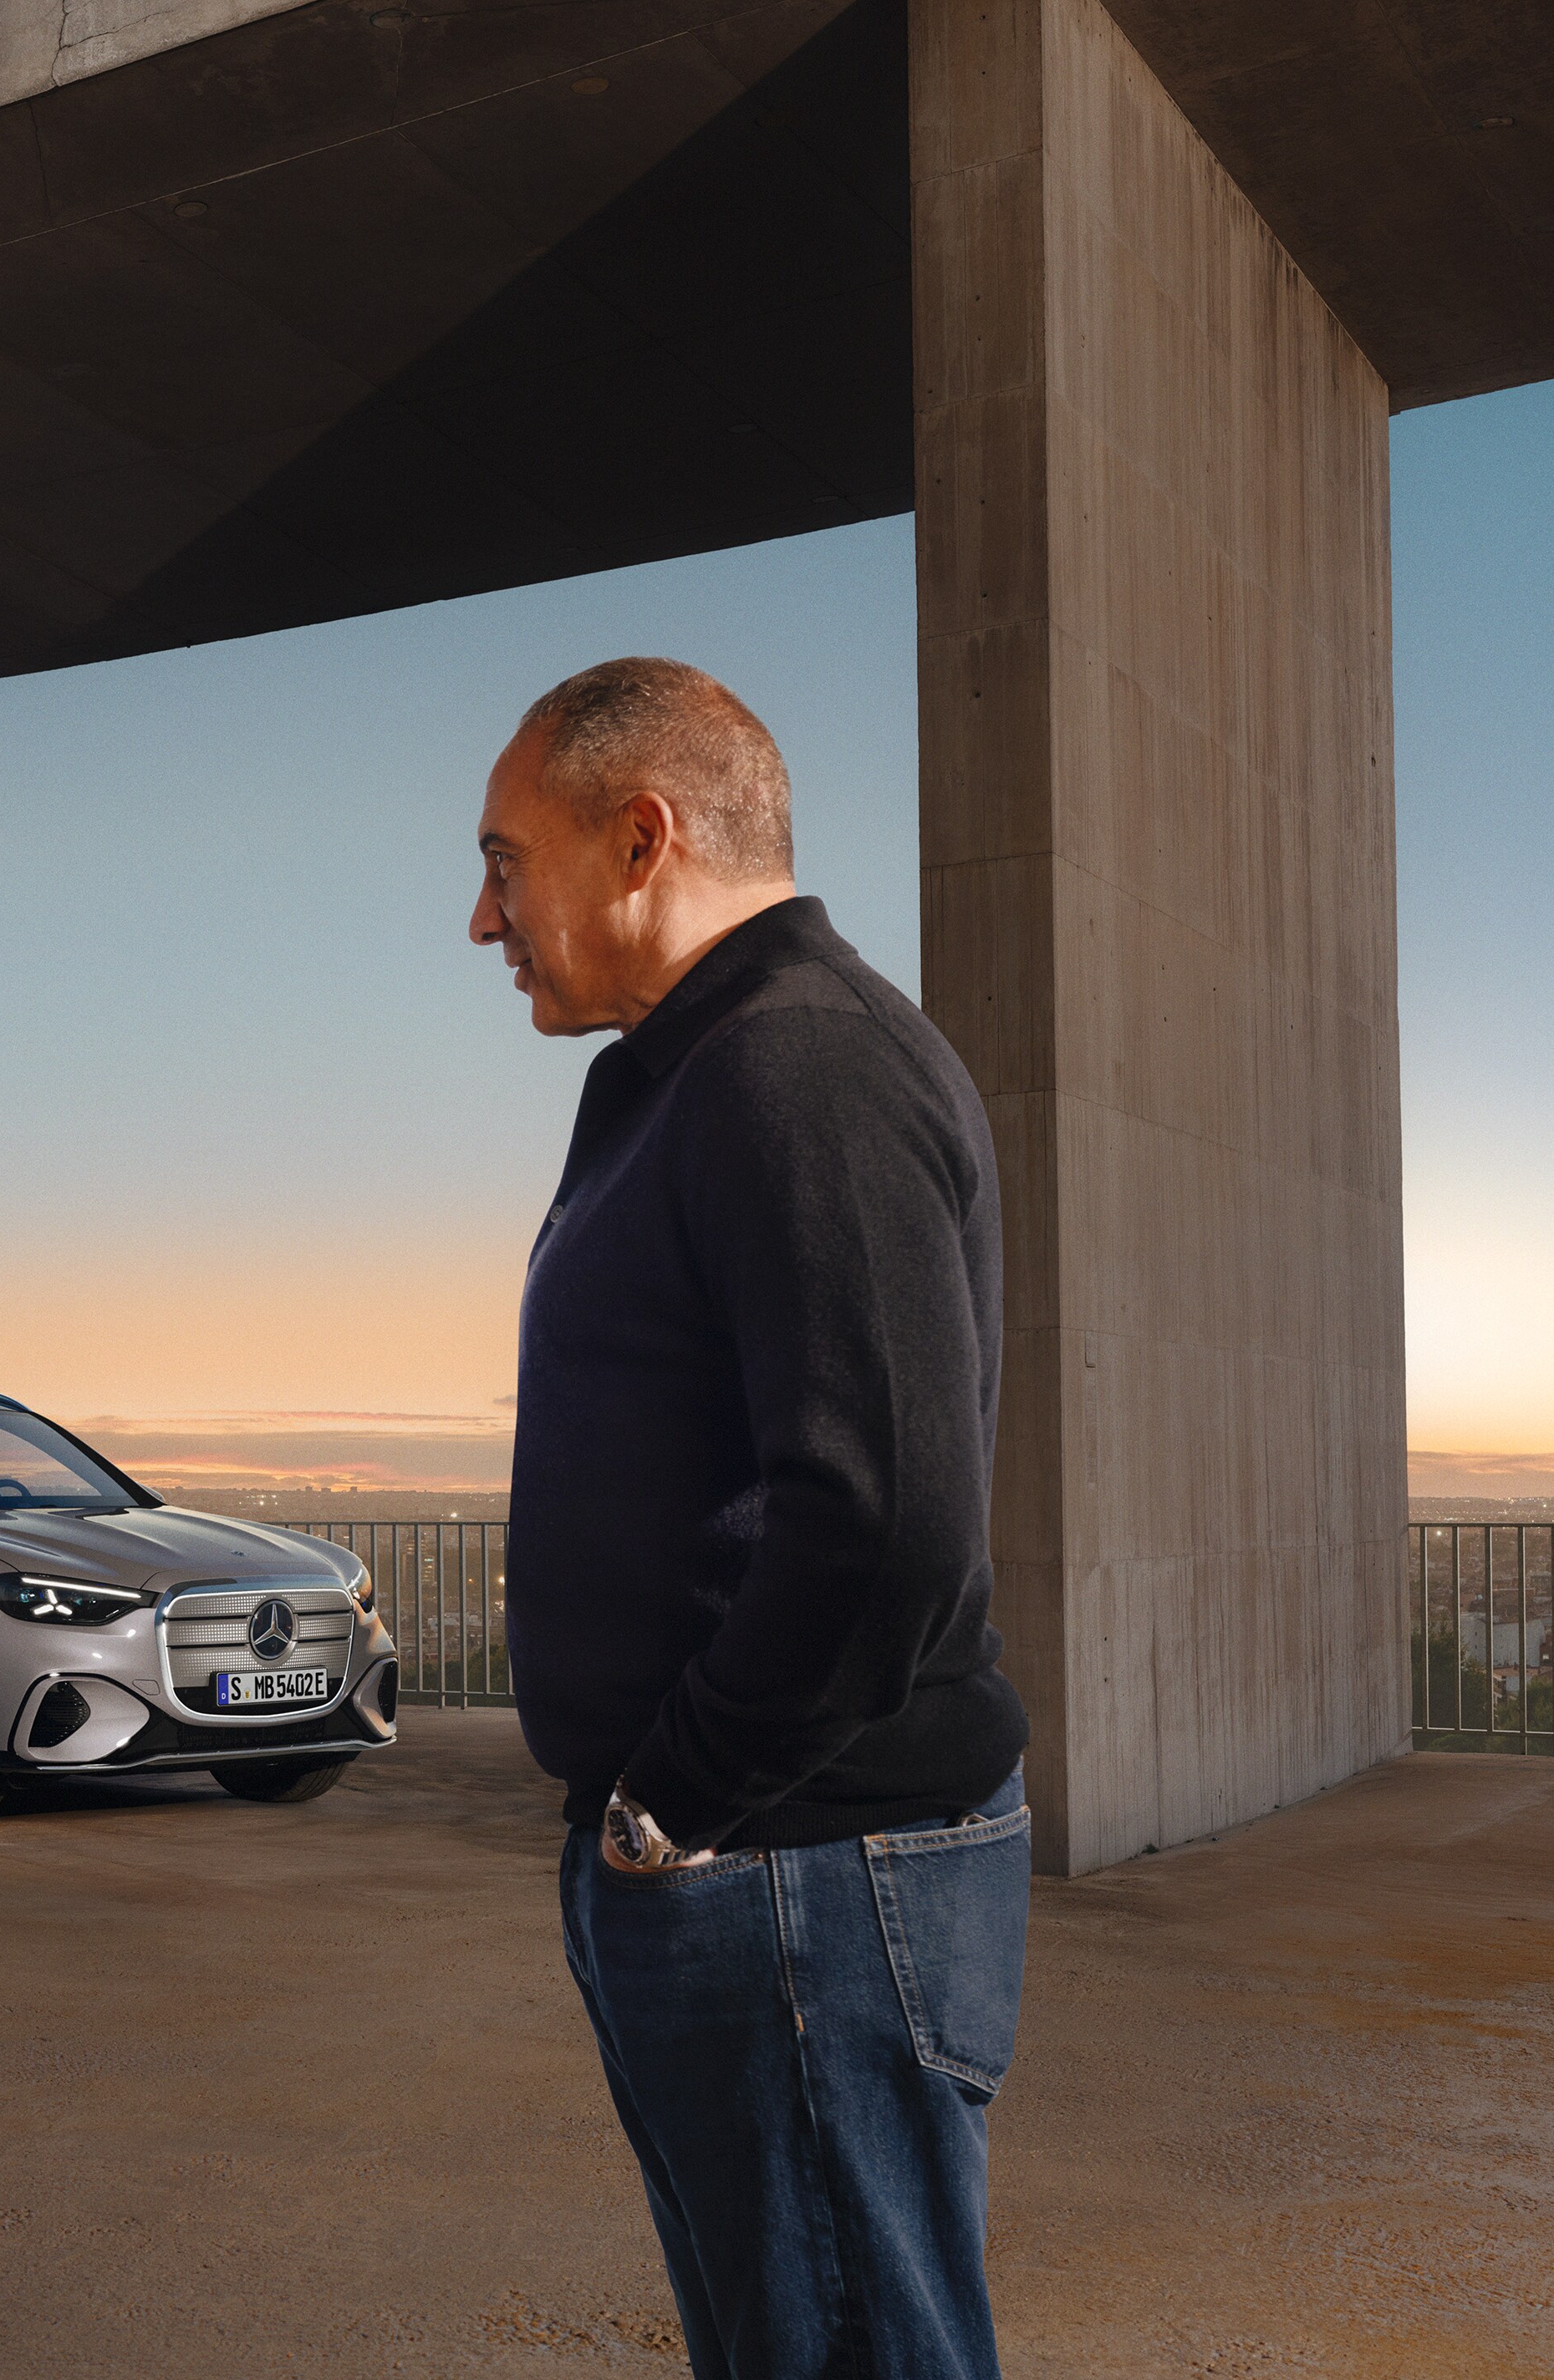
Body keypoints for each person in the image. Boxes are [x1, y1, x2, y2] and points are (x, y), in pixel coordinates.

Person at [471, 658, 1030, 2380]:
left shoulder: (797, 1067)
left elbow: (880, 1521)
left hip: (796, 1868)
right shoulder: (697, 1066)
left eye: (505, 863)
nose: (479, 920)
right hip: (760, 1870)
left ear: (639, 838)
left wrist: (672, 1807)